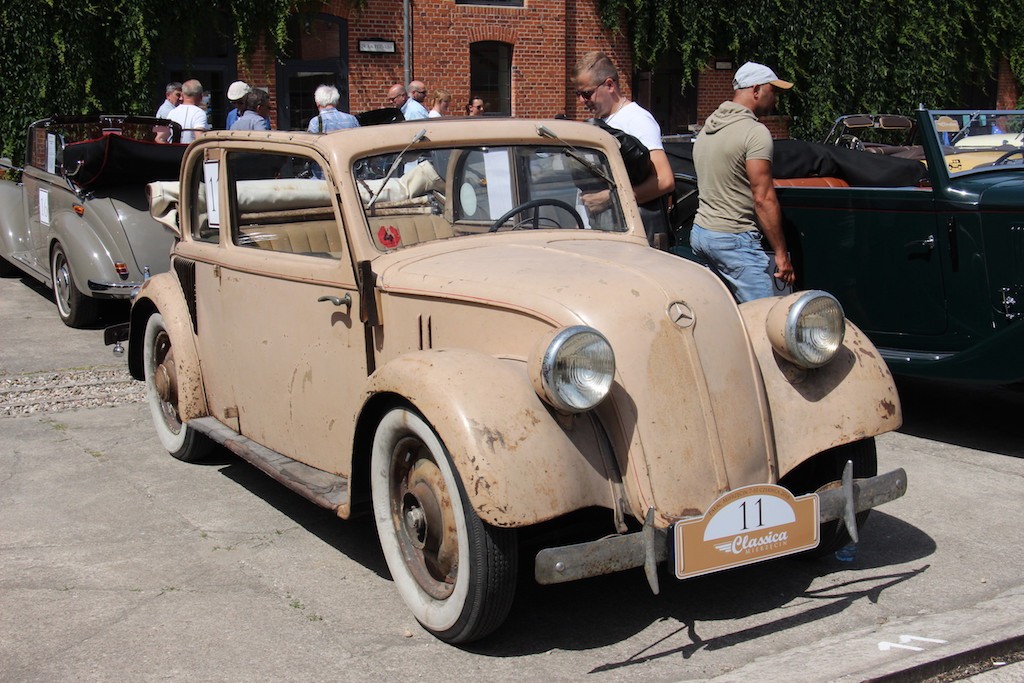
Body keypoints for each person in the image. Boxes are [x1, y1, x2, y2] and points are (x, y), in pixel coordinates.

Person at [689, 61, 796, 302]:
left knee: (721, 316)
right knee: (762, 316)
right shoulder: (754, 132)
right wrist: (781, 254)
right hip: (734, 239)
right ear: (756, 90)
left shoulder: (708, 128)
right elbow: (763, 198)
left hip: (702, 234)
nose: (776, 99)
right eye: (774, 91)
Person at [572, 51, 674, 245]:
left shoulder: (637, 120)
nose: (581, 101)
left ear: (610, 85)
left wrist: (610, 199)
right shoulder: (603, 121)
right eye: (577, 94)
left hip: (631, 240)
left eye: (586, 93)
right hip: (605, 233)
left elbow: (665, 180)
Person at [167, 79, 209, 144]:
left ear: (182, 95)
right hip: (190, 152)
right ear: (200, 96)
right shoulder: (199, 113)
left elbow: (161, 137)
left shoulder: (172, 112)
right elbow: (200, 140)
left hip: (173, 151)